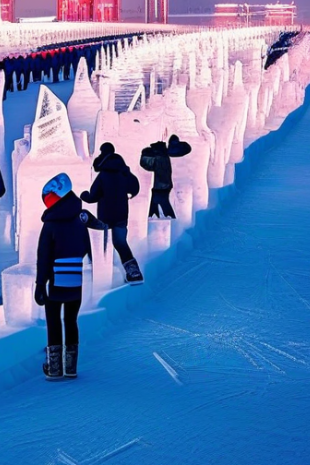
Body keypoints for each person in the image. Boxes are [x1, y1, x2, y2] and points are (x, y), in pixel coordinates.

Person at [34, 173, 105, 380]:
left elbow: (44, 257)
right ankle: (71, 367)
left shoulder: (50, 225)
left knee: (54, 321)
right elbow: (86, 248)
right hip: (75, 279)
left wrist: (40, 284)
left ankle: (55, 368)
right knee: (71, 321)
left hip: (55, 281)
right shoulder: (79, 221)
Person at [80, 142, 144, 284]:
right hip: (121, 214)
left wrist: (84, 196)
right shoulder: (124, 171)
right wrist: (128, 195)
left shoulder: (103, 175)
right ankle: (134, 273)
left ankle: (101, 276)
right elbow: (135, 187)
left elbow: (93, 195)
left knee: (104, 245)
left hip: (106, 215)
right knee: (120, 243)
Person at [139, 134, 192, 218]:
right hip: (164, 185)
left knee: (161, 204)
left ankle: (164, 218)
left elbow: (148, 165)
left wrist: (145, 154)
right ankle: (156, 217)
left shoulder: (160, 156)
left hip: (161, 185)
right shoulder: (164, 155)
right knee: (158, 204)